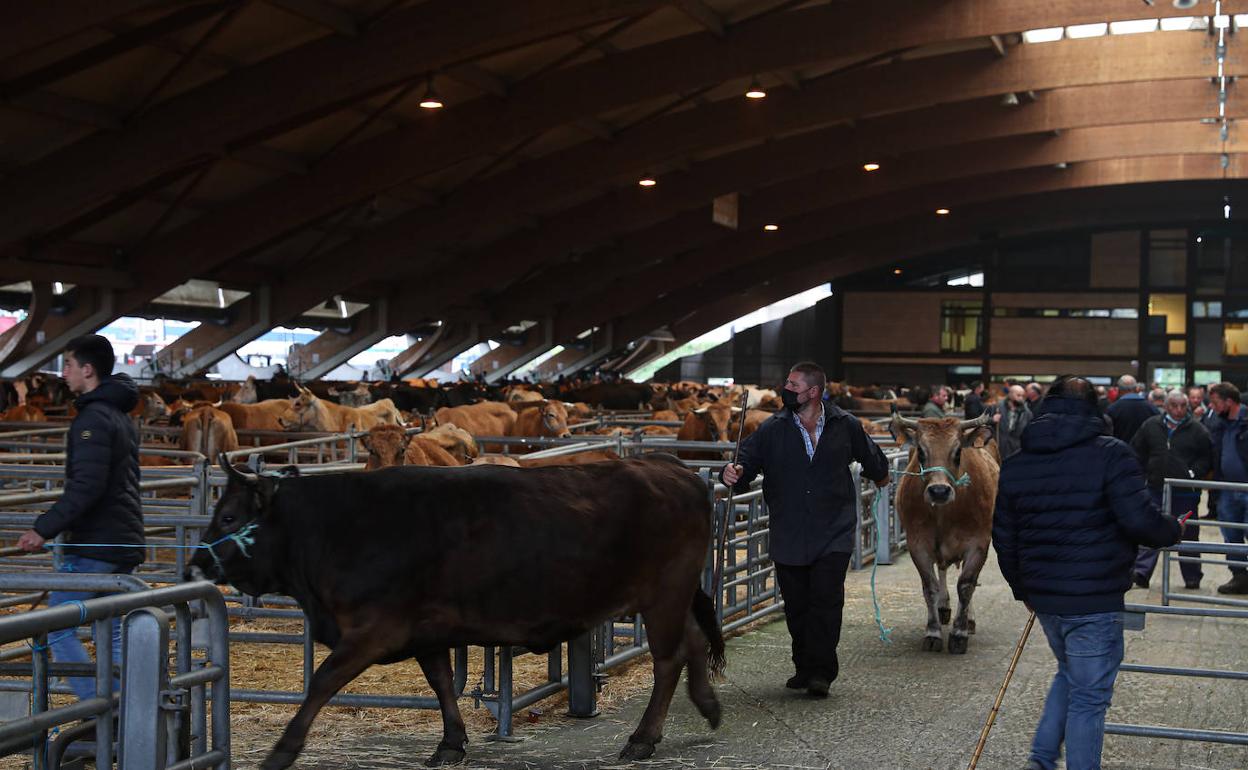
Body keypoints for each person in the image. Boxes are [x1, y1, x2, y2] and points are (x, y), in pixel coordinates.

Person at [993, 375, 1181, 770]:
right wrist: (1174, 529)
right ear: (1095, 407)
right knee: (1089, 698)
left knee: (1070, 673)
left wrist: (1021, 587)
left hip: (1045, 596)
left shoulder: (1016, 464)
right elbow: (1139, 520)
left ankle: (1041, 760)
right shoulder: (1112, 454)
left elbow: (1003, 535)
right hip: (1094, 597)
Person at [721, 362, 889, 698]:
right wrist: (732, 472)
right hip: (790, 529)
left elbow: (874, 460)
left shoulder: (845, 424)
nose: (787, 389)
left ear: (813, 392)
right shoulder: (773, 429)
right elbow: (746, 465)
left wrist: (881, 473)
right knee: (797, 606)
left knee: (826, 601)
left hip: (834, 529)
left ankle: (821, 673)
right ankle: (803, 666)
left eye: (793, 385)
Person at [17, 335, 144, 700]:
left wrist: (43, 529)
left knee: (57, 627)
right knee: (113, 628)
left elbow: (87, 486)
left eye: (69, 364)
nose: (65, 372)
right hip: (121, 540)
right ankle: (123, 714)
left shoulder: (93, 419)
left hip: (96, 544)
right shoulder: (118, 415)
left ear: (87, 370)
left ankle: (95, 708)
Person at [1130, 390, 1211, 590]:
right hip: (1156, 488)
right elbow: (1136, 451)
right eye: (1174, 405)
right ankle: (1142, 571)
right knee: (1151, 528)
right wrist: (1142, 476)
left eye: (1183, 406)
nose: (1178, 410)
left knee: (1189, 532)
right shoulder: (1151, 425)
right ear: (1166, 406)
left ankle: (1192, 576)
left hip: (1186, 492)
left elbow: (1207, 457)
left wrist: (1193, 473)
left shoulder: (1198, 430)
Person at [1208, 382, 1248, 595]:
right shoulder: (1220, 424)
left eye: (1215, 403)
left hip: (1247, 489)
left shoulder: (1246, 422)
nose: (1212, 407)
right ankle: (1239, 576)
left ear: (1229, 401)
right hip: (1227, 490)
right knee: (1231, 535)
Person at [1106, 374, 1156, 443]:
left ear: (1119, 390)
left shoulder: (1112, 409)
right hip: (1144, 451)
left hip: (1120, 450)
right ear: (1136, 388)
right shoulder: (1151, 408)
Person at [993, 384, 1031, 460]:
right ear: (1010, 394)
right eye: (1018, 395)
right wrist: (992, 420)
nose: (1021, 398)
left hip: (1016, 450)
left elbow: (1028, 433)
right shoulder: (997, 407)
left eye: (1022, 396)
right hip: (999, 447)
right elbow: (987, 426)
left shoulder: (1027, 413)